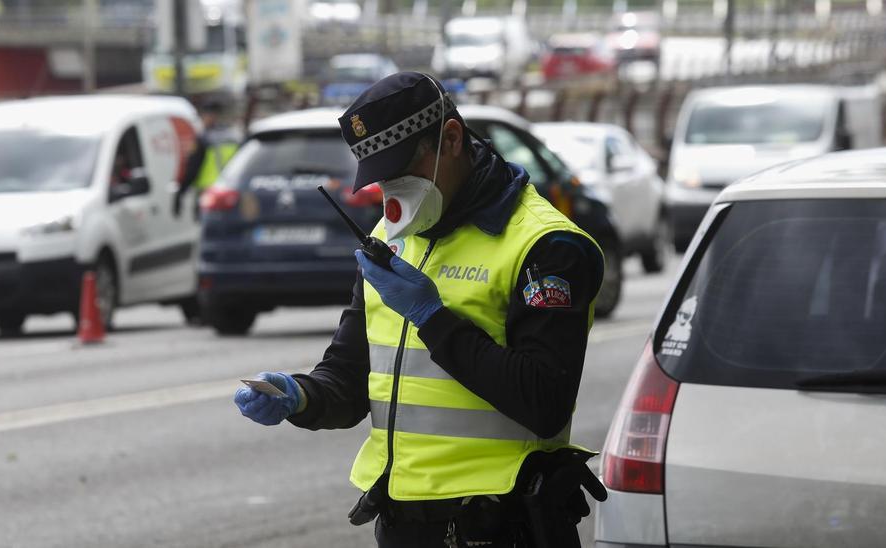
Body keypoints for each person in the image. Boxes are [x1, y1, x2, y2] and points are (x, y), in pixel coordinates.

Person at [233, 72, 607, 547]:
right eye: (379, 176)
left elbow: (543, 401)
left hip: (503, 525)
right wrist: (298, 396)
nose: (390, 189)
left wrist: (433, 318)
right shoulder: (392, 242)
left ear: (451, 139)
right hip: (404, 523)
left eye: (399, 170)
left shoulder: (545, 246)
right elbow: (348, 379)